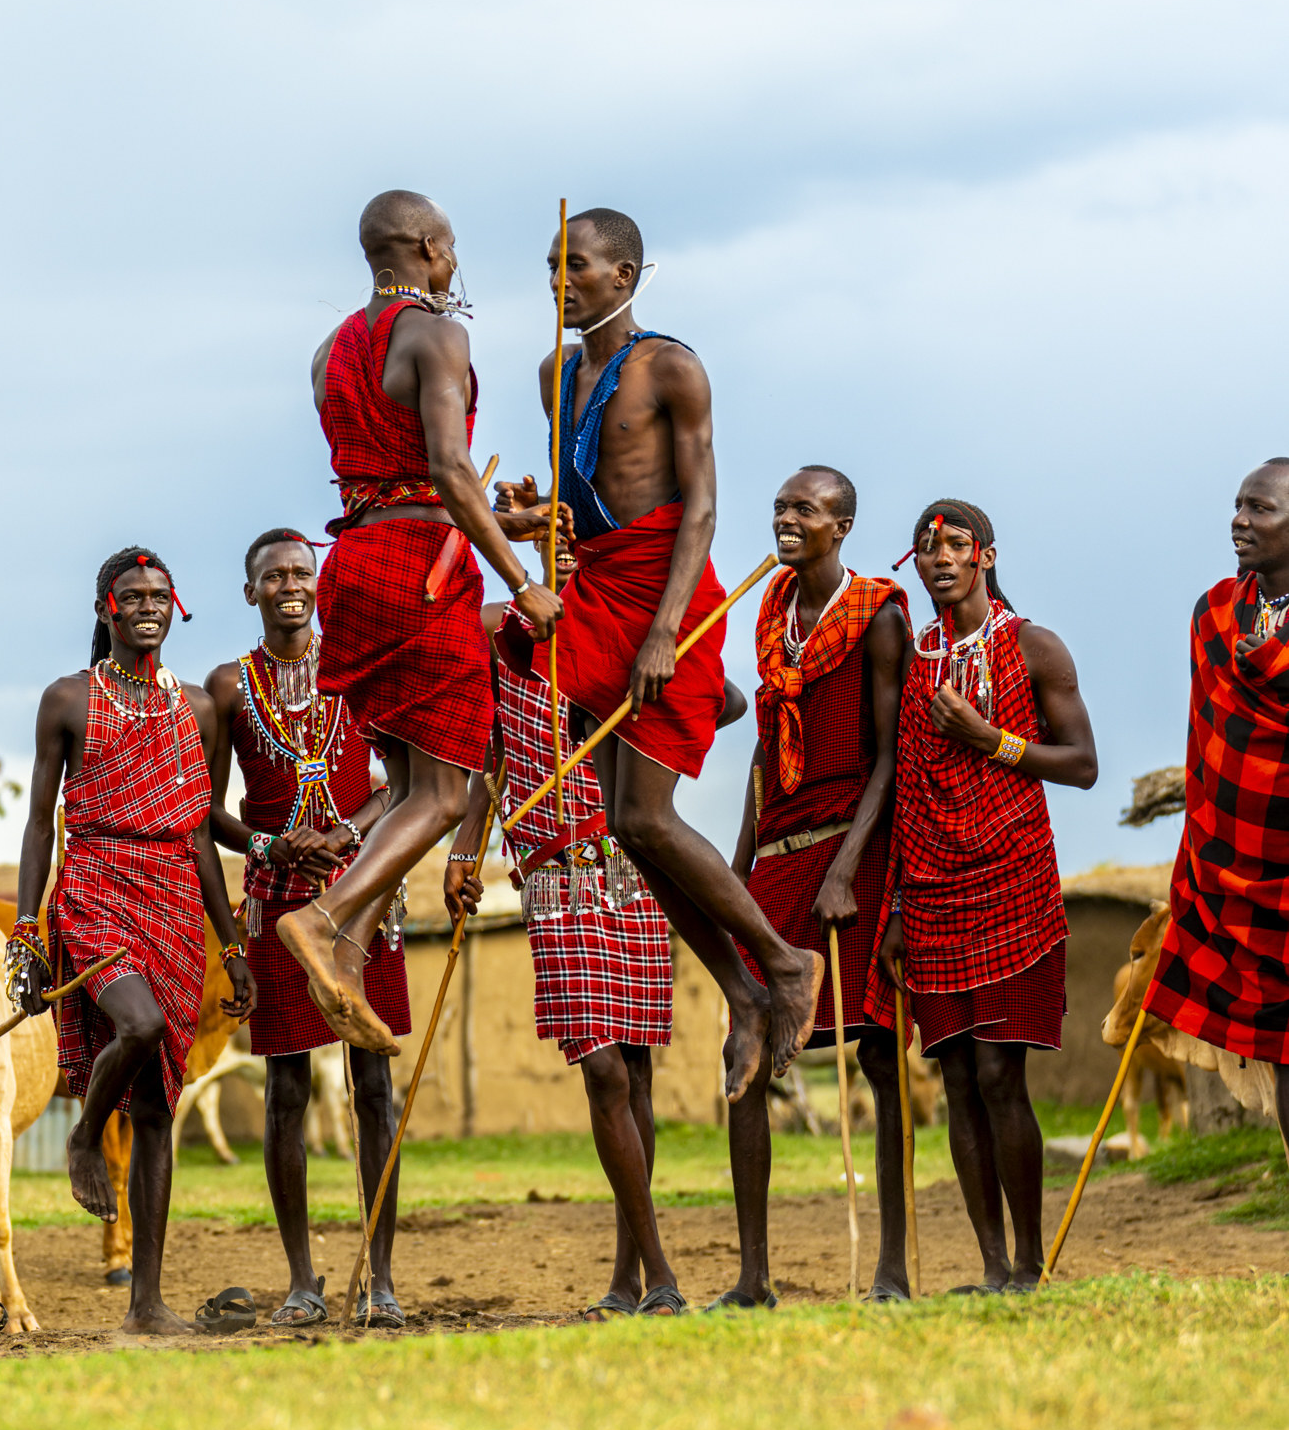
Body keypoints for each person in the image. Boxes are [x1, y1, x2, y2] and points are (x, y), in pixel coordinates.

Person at [495, 207, 824, 1105]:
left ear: (627, 277)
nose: (561, 282)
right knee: (628, 828)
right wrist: (531, 514)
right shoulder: (551, 373)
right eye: (551, 266)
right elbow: (578, 508)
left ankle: (783, 964)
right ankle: (747, 992)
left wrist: (668, 632)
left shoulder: (669, 366)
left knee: (644, 817)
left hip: (665, 592)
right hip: (597, 591)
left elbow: (704, 507)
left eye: (580, 267)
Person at [280, 190, 562, 1055]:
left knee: (404, 789)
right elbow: (445, 467)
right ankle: (322, 922)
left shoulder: (333, 350)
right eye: (451, 252)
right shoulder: (437, 332)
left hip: (354, 570)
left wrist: (500, 520)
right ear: (431, 246)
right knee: (444, 794)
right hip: (423, 577)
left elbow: (392, 481)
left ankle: (349, 964)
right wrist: (521, 580)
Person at [446, 579, 746, 1319]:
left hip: (632, 865)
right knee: (603, 1067)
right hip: (550, 872)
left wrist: (651, 661)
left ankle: (626, 1280)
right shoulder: (503, 633)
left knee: (637, 1072)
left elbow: (729, 701)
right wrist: (464, 846)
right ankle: (661, 1272)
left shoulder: (623, 632)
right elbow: (491, 749)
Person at [11, 546, 255, 1335]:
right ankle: (84, 1137)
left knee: (157, 1106)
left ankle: (146, 1304)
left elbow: (197, 834)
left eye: (159, 595)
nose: (147, 607)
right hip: (93, 887)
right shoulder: (66, 700)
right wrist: (26, 925)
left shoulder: (197, 708)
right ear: (105, 609)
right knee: (138, 1024)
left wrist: (232, 943)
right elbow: (40, 820)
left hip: (176, 902)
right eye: (132, 596)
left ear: (173, 606)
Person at [867, 500, 1097, 1293]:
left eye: (954, 545)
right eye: (924, 548)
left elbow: (1081, 763)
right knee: (954, 1077)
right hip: (929, 890)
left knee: (1001, 1076)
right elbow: (901, 788)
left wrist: (989, 739)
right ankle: (991, 1266)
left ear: (986, 557)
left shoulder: (1032, 645)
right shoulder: (918, 658)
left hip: (1011, 879)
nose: (938, 559)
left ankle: (1029, 1265)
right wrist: (895, 904)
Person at [205, 527, 412, 1327]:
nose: (290, 584)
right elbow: (208, 814)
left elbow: (401, 780)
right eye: (274, 575)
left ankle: (382, 1279)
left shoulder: (361, 664)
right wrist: (268, 842)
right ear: (250, 590)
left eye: (302, 571)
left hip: (362, 898)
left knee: (373, 1084)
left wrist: (348, 833)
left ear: (318, 584)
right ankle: (301, 1279)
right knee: (286, 1085)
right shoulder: (229, 686)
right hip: (277, 901)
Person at [721, 467, 911, 1306]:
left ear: (841, 525)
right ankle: (753, 1277)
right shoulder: (768, 611)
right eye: (779, 507)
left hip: (852, 852)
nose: (785, 519)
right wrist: (736, 866)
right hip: (778, 852)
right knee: (744, 1050)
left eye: (804, 509)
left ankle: (891, 1269)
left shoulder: (878, 614)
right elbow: (765, 749)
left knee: (876, 1052)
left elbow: (889, 755)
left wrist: (844, 870)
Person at [1144, 459, 1289, 1136]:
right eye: (1236, 505)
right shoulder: (1215, 614)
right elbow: (1203, 748)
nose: (1239, 520)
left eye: (1259, 508)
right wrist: (1195, 852)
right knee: (1282, 1055)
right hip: (1235, 869)